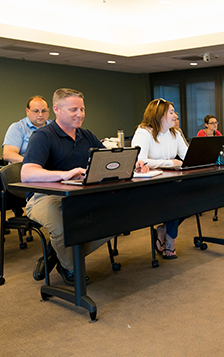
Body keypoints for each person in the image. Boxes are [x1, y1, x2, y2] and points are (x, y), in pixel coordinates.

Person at [21, 88, 148, 286]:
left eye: (82, 109)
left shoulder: (86, 135)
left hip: (81, 195)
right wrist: (63, 174)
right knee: (63, 227)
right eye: (73, 109)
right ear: (56, 109)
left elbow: (108, 160)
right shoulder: (43, 136)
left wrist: (133, 164)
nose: (79, 114)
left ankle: (58, 252)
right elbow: (26, 173)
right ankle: (70, 266)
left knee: (121, 218)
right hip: (45, 196)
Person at [132, 98, 188, 259]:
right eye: (171, 112)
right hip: (150, 184)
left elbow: (187, 156)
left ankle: (163, 230)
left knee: (192, 195)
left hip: (171, 180)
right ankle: (170, 241)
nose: (175, 115)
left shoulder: (175, 133)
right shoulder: (143, 132)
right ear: (159, 115)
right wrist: (170, 163)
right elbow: (140, 160)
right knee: (175, 198)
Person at [2, 95, 51, 163]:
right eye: (36, 111)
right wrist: (32, 163)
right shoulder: (18, 128)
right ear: (27, 111)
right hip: (25, 169)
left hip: (52, 169)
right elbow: (8, 155)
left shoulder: (55, 127)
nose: (40, 115)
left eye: (44, 111)